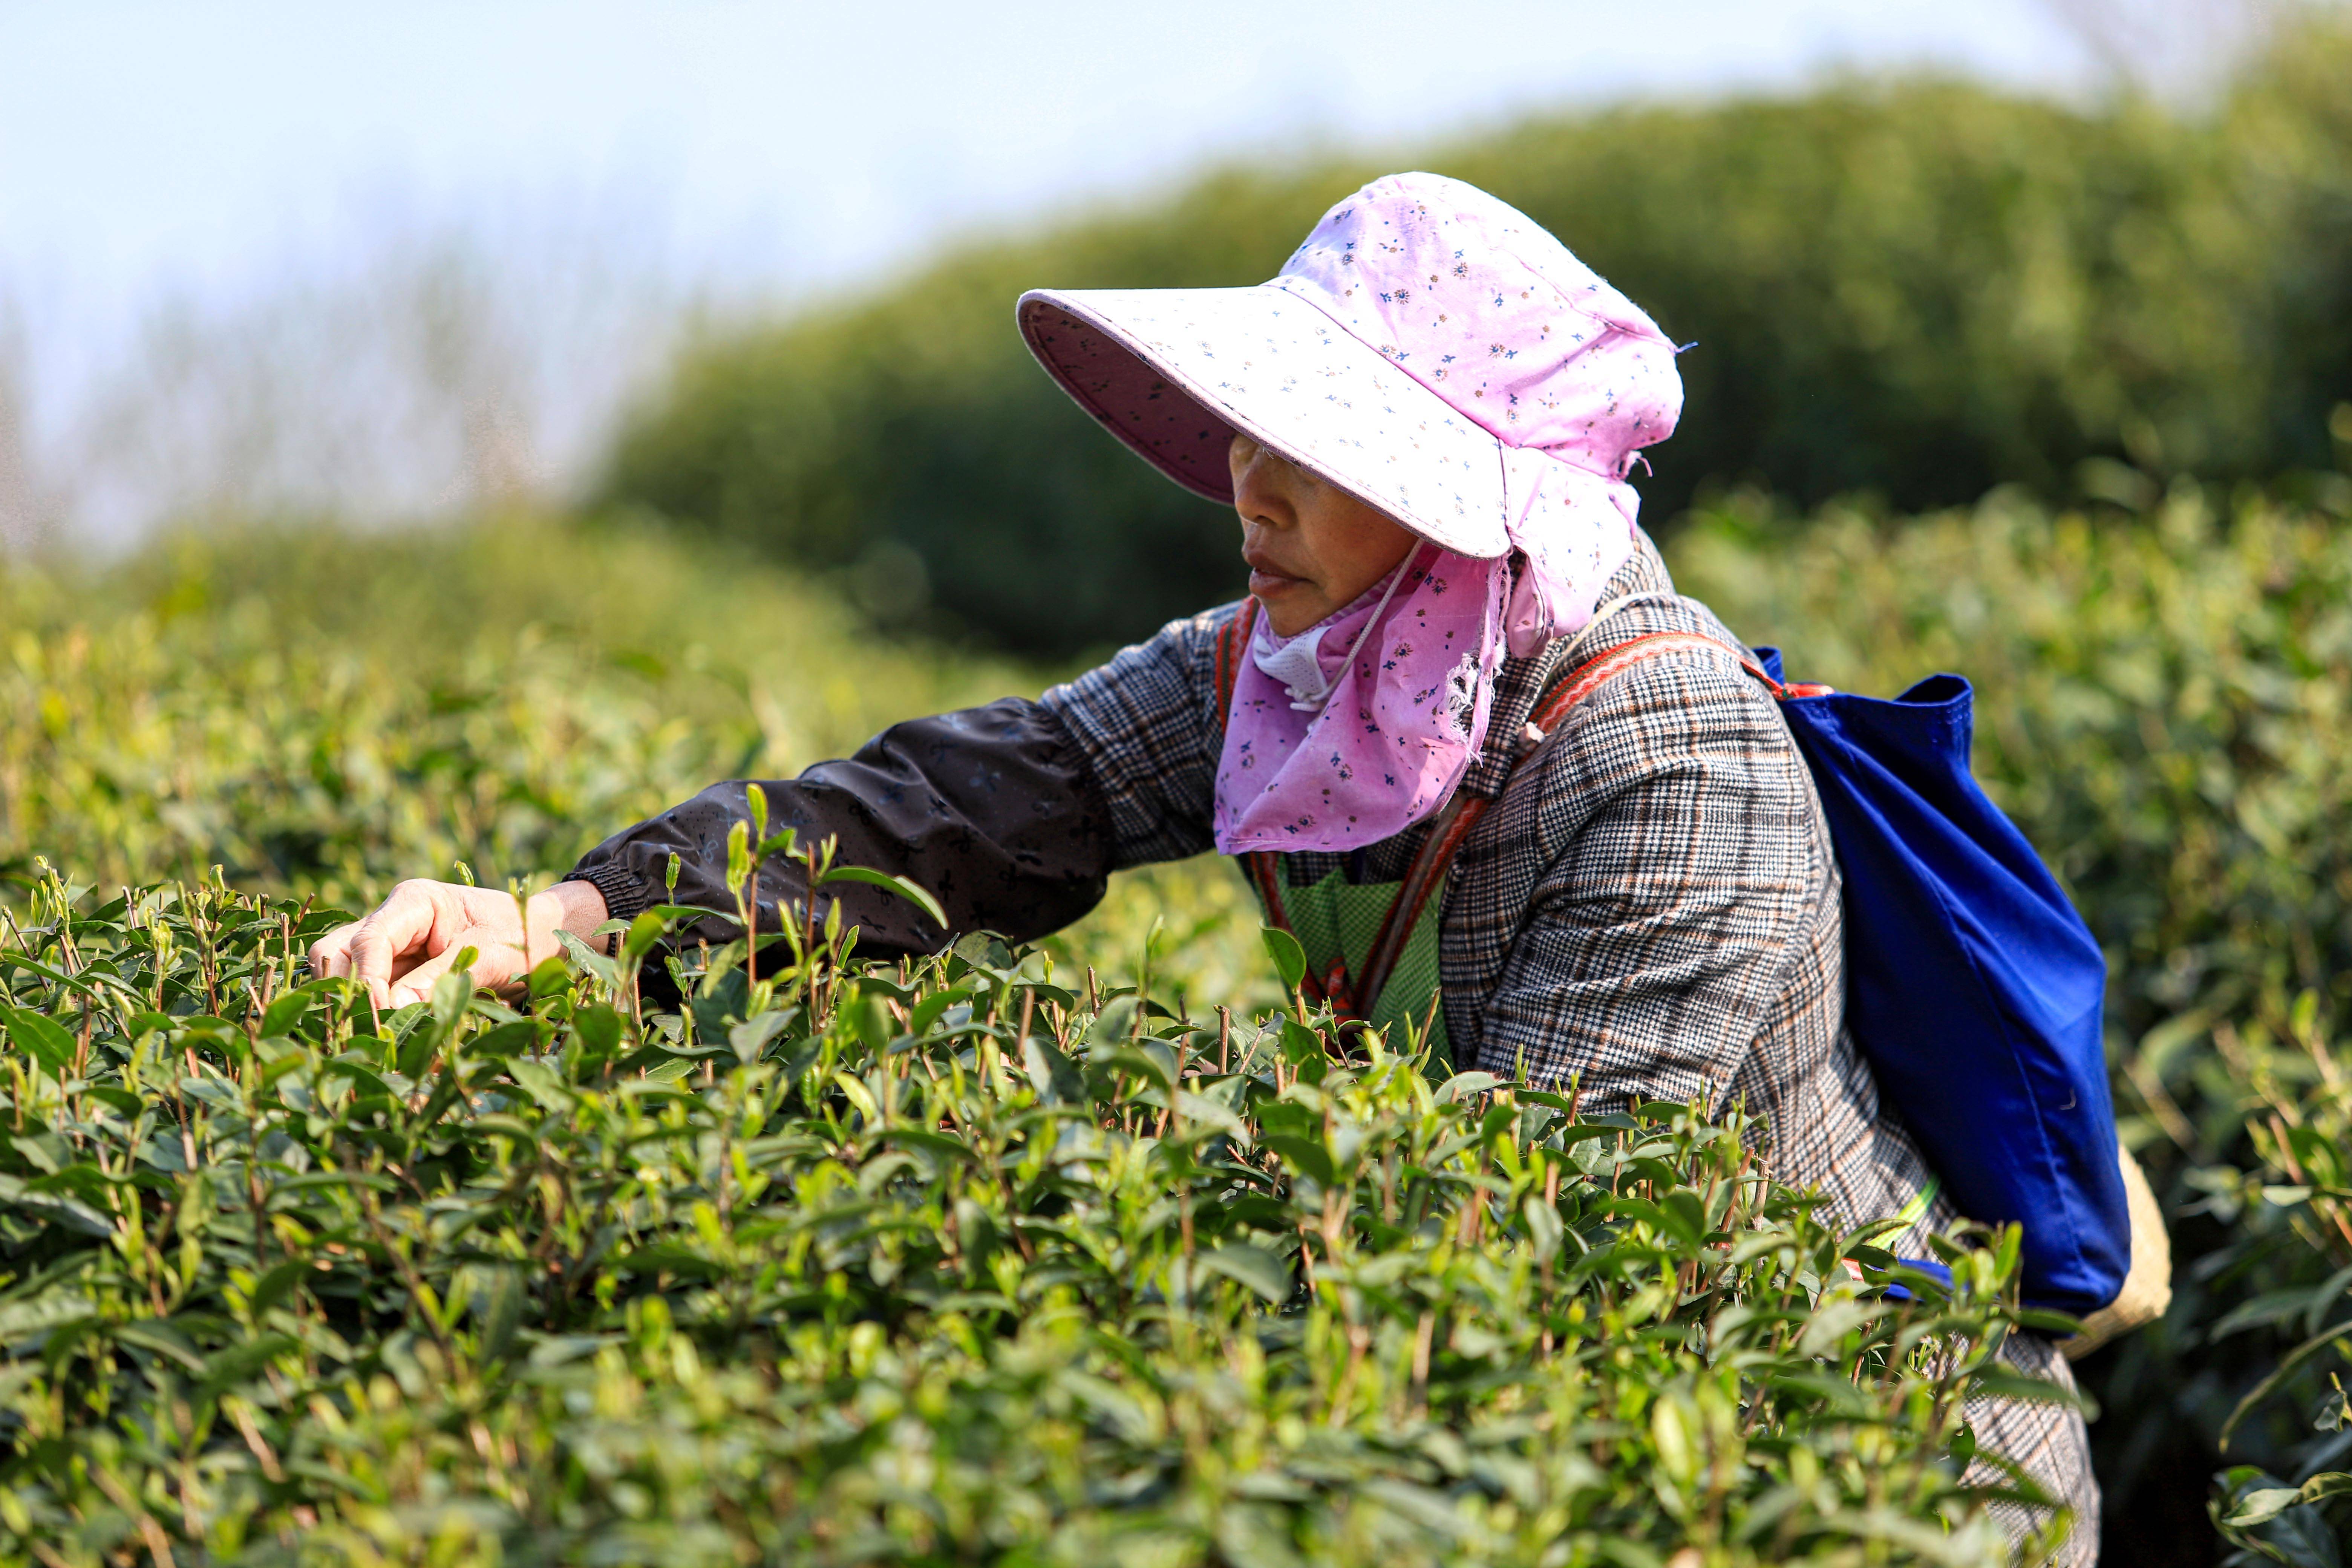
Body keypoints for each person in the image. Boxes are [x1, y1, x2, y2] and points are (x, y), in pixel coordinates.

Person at [310, 172, 2098, 1559]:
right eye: (1249, 426)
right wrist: (570, 916)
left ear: (1474, 493)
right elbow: (988, 798)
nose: (1248, 481)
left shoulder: (1674, 766)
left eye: (1316, 445)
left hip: (1873, 1479)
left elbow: (1523, 1224)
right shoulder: (1301, 665)